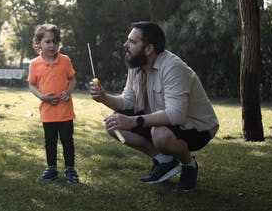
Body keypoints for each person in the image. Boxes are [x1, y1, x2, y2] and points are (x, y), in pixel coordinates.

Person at [90, 21, 219, 191]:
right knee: (114, 124)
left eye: (132, 42)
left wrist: (132, 121)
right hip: (160, 122)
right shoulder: (136, 65)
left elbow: (176, 115)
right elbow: (128, 101)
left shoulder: (173, 67)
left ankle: (189, 166)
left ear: (149, 49)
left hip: (197, 127)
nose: (125, 45)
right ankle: (164, 161)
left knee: (160, 134)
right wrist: (104, 97)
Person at [28, 23, 80, 184]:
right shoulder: (34, 64)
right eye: (48, 41)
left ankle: (70, 169)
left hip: (65, 111)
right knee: (50, 142)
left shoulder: (65, 60)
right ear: (39, 44)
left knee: (67, 141)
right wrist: (43, 97)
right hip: (48, 112)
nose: (52, 45)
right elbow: (32, 85)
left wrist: (68, 91)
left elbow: (72, 80)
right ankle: (51, 168)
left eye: (55, 41)